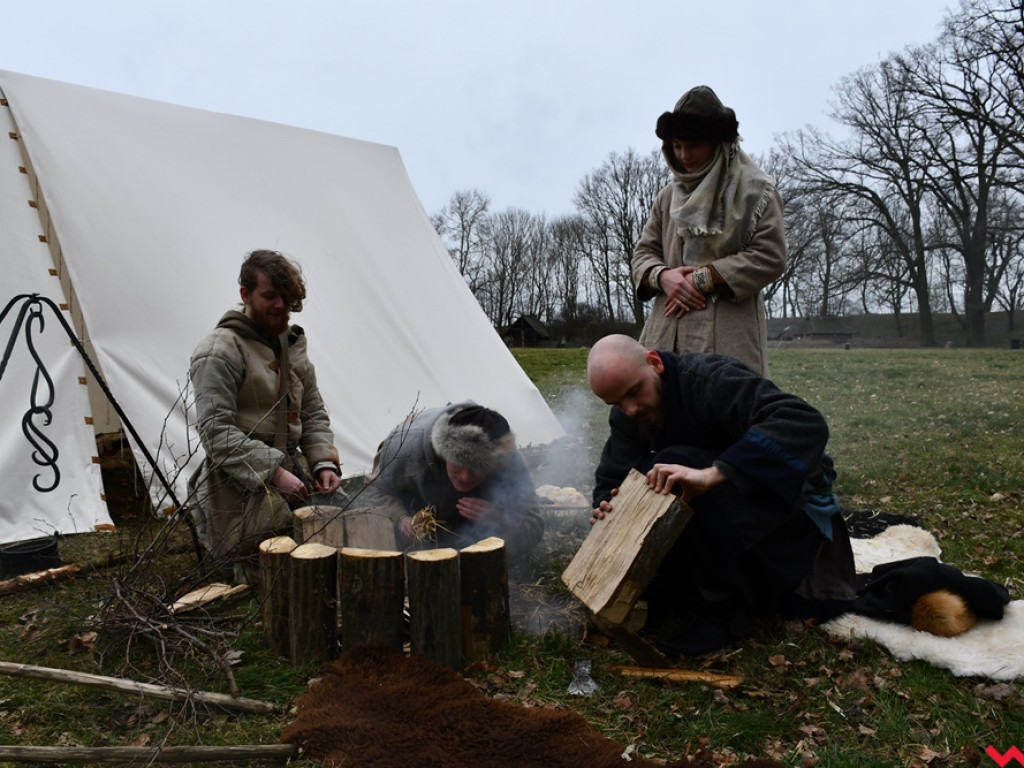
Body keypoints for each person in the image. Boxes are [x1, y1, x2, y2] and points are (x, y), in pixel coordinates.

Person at [586, 334, 856, 655]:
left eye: (633, 392)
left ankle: (721, 613)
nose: (629, 409)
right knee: (654, 474)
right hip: (728, 521)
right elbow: (613, 477)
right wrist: (607, 505)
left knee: (673, 467)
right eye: (617, 403)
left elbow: (803, 421)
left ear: (655, 363)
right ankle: (681, 590)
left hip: (791, 518)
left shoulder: (709, 378)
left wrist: (715, 473)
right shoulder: (630, 412)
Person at [187, 249, 345, 580]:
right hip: (235, 481)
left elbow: (313, 414)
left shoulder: (293, 349)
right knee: (277, 558)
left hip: (293, 466)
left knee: (345, 520)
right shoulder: (219, 350)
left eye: (285, 297)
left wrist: (323, 462)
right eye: (269, 295)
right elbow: (216, 432)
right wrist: (272, 472)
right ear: (245, 294)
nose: (279, 305)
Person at [632, 85, 786, 376]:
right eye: (677, 146)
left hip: (728, 337)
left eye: (693, 145)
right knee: (663, 415)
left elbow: (770, 256)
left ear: (717, 143)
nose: (684, 155)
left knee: (726, 411)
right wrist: (664, 277)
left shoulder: (757, 191)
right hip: (666, 335)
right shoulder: (668, 197)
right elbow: (644, 252)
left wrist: (702, 278)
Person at [356, 402, 544, 563]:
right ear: (443, 453)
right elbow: (375, 489)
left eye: (478, 469)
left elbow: (534, 525)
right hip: (417, 504)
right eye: (459, 464)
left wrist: (499, 519)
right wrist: (400, 518)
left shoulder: (507, 458)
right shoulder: (405, 449)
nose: (465, 477)